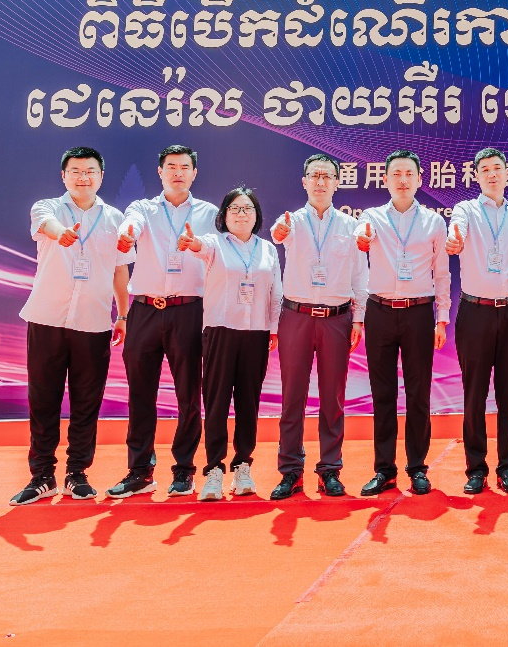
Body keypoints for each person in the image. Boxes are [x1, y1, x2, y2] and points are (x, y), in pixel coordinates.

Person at [11, 147, 131, 505]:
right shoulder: (47, 207)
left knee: (86, 402)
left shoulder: (115, 219)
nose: (83, 177)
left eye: (90, 171)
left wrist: (123, 315)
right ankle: (42, 476)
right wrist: (62, 233)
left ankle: (77, 474)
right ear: (63, 176)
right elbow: (47, 226)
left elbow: (120, 270)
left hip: (93, 322)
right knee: (43, 399)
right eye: (75, 171)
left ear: (101, 176)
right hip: (47, 318)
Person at [108, 144, 217, 499]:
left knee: (189, 394)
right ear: (160, 171)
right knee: (140, 393)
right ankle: (140, 471)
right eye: (171, 166)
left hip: (190, 310)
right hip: (144, 311)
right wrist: (127, 232)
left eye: (185, 167)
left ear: (194, 173)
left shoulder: (210, 213)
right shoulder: (143, 209)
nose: (178, 173)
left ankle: (184, 470)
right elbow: (132, 225)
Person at [269, 154, 367, 500]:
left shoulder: (351, 226)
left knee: (333, 398)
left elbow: (360, 275)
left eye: (327, 176)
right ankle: (290, 471)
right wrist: (279, 232)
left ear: (338, 182)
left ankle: (330, 470)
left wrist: (359, 318)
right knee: (292, 397)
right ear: (304, 181)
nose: (321, 181)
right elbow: (278, 235)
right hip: (296, 317)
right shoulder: (291, 222)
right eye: (314, 175)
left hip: (337, 320)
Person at [354, 151, 451, 497]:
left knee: (418, 393)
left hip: (419, 313)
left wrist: (442, 318)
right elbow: (360, 241)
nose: (403, 180)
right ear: (385, 179)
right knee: (382, 394)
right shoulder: (371, 218)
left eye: (409, 173)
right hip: (379, 310)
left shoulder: (433, 222)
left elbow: (442, 273)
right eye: (396, 173)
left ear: (420, 179)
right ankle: (384, 470)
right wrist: (361, 240)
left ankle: (417, 468)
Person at [177, 187, 281, 501]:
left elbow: (276, 292)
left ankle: (243, 466)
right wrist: (191, 242)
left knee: (249, 403)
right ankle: (214, 470)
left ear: (257, 215)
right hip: (220, 331)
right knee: (217, 401)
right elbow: (198, 246)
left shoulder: (267, 249)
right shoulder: (215, 244)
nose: (241, 214)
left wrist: (274, 329)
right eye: (234, 208)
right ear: (224, 215)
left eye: (247, 208)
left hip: (256, 333)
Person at [446, 148, 508, 495]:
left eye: (498, 168)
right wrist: (454, 240)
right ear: (477, 176)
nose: (493, 174)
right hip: (475, 312)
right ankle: (476, 468)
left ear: (507, 172)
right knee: (474, 394)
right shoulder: (466, 210)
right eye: (485, 169)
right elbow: (456, 232)